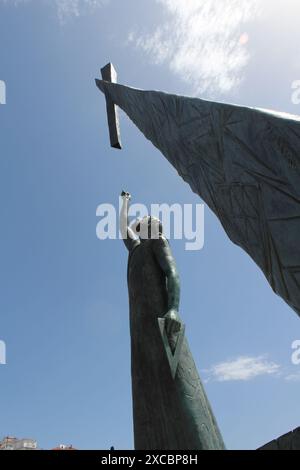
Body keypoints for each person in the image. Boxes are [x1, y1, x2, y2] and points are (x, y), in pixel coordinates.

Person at [120, 190, 225, 450]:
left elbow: (172, 273)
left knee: (178, 383)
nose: (139, 228)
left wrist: (174, 308)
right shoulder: (136, 250)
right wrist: (123, 204)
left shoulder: (157, 240)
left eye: (143, 224)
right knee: (148, 395)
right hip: (141, 332)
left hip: (162, 322)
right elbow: (123, 230)